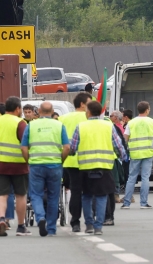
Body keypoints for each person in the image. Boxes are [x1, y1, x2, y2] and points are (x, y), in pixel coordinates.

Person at [70, 100, 126, 236]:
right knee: (102, 196)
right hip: (105, 167)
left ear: (88, 112)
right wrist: (122, 157)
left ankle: (89, 224)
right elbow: (118, 146)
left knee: (87, 196)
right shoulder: (109, 126)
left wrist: (71, 153)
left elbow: (73, 147)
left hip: (85, 167)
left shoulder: (81, 126)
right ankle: (98, 226)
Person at [22, 101, 70, 237]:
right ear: (53, 111)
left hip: (36, 165)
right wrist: (61, 160)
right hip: (54, 165)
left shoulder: (31, 125)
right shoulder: (59, 125)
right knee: (54, 196)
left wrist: (28, 161)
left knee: (36, 195)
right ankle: (51, 228)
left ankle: (40, 217)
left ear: (39, 111)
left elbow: (23, 147)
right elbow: (67, 147)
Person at [0, 96, 30, 237]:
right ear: (18, 109)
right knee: (20, 195)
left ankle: (1, 218)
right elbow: (25, 143)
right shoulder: (21, 123)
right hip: (18, 164)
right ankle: (20, 226)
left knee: (1, 194)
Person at [61, 92, 91, 233]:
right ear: (82, 104)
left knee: (75, 191)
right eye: (89, 103)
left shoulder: (63, 118)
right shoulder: (89, 118)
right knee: (89, 192)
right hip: (87, 159)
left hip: (69, 160)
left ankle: (75, 222)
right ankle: (90, 221)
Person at [122, 101, 153, 209]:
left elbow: (125, 138)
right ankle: (143, 203)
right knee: (145, 177)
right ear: (147, 110)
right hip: (148, 153)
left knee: (131, 177)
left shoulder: (131, 123)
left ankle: (126, 203)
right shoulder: (152, 122)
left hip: (135, 153)